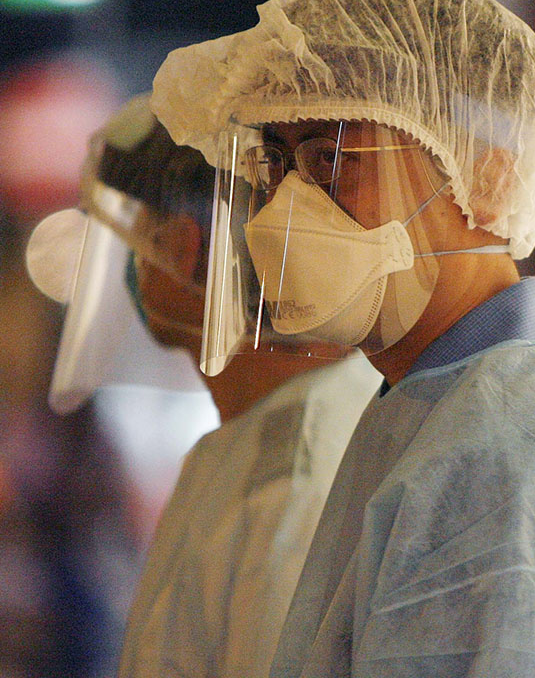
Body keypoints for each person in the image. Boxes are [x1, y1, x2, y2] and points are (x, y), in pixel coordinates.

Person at [150, 0, 535, 678]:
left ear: (487, 176)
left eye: (330, 158)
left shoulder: (521, 438)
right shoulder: (433, 410)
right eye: (276, 167)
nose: (285, 209)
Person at [28, 94, 382, 678]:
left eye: (137, 236)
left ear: (183, 246)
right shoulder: (257, 442)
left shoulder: (298, 480)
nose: (131, 265)